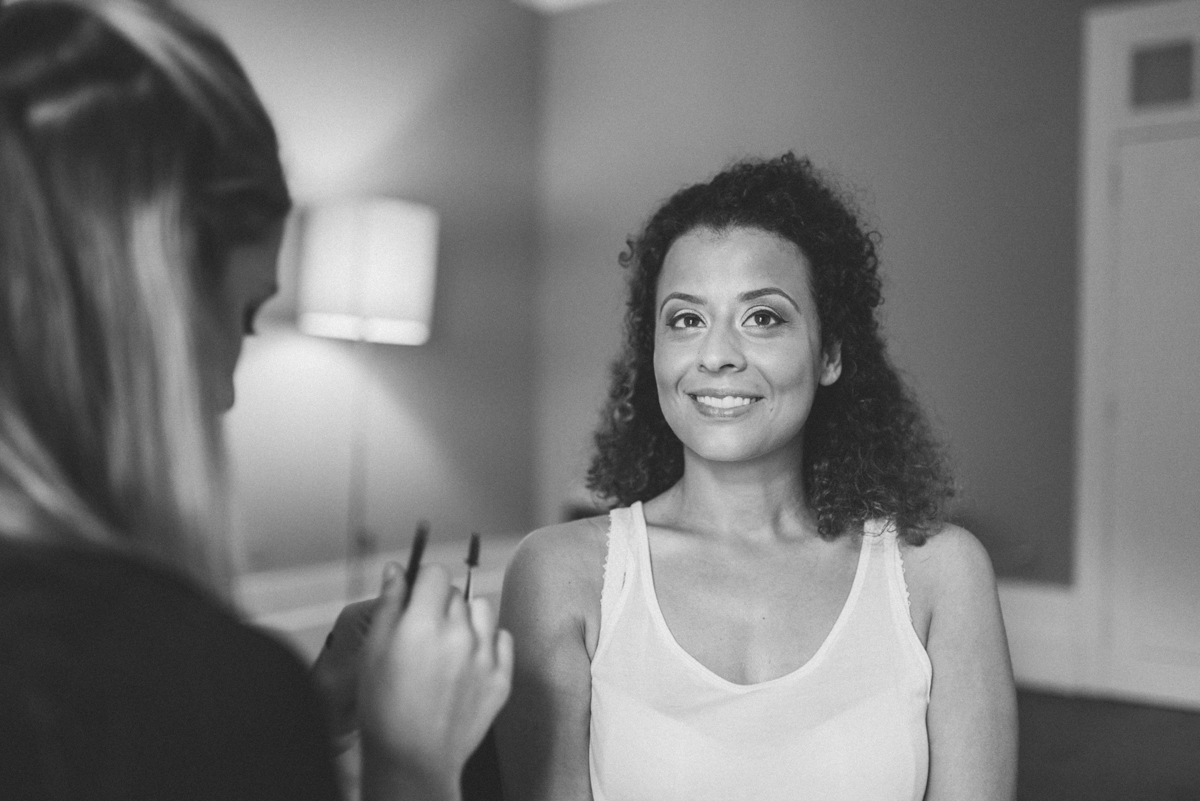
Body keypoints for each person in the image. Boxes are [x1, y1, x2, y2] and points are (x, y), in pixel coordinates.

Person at [0, 2, 511, 799]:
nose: (225, 391)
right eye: (243, 314)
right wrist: (412, 765)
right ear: (148, 309)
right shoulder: (185, 684)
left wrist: (306, 706)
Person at [494, 153, 1017, 800]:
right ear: (652, 352)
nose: (716, 354)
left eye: (762, 317)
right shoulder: (561, 575)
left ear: (828, 355)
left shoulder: (940, 574)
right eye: (686, 319)